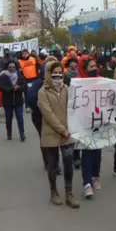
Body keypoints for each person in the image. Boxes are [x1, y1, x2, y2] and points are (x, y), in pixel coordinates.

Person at [37, 61, 80, 208]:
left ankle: (69, 193)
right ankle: (53, 191)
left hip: (67, 134)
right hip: (52, 133)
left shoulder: (67, 89)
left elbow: (75, 106)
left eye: (60, 73)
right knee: (53, 164)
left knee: (68, 163)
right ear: (48, 74)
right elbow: (48, 115)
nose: (57, 76)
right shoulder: (43, 92)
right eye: (54, 73)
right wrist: (62, 130)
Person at [26, 56, 59, 171]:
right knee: (45, 139)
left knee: (55, 139)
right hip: (40, 117)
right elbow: (31, 99)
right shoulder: (37, 84)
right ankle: (48, 162)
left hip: (56, 117)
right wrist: (44, 110)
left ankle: (55, 163)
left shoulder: (60, 83)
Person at [78, 55, 103, 199]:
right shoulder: (78, 83)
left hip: (99, 122)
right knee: (87, 152)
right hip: (85, 123)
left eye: (95, 66)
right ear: (84, 69)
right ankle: (87, 183)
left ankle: (95, 176)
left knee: (97, 151)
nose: (94, 69)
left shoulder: (102, 82)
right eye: (91, 67)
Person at [0, 59, 27, 141]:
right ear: (7, 68)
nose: (12, 68)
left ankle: (22, 133)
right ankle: (9, 134)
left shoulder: (19, 75)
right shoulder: (3, 76)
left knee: (20, 117)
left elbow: (24, 86)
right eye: (10, 67)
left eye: (14, 67)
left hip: (18, 100)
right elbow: (2, 87)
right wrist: (12, 88)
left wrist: (19, 87)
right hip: (8, 101)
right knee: (8, 119)